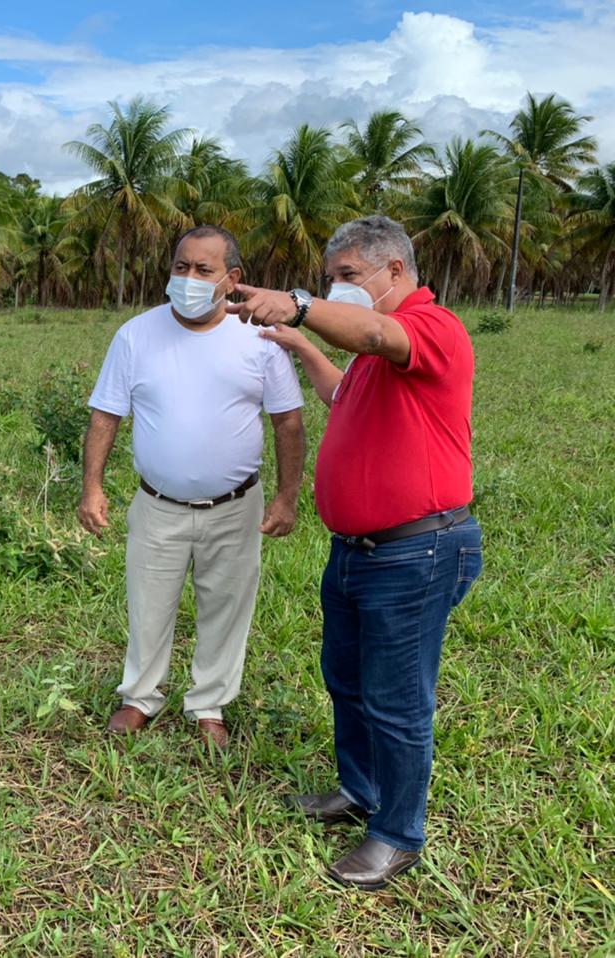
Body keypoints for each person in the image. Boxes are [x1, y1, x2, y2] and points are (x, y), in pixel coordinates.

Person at [227, 214, 482, 890]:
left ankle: (397, 834)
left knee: (397, 700)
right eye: (329, 278)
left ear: (395, 271)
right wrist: (301, 346)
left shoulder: (431, 329)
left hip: (416, 553)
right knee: (347, 680)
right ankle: (361, 790)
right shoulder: (376, 359)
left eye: (348, 277)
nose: (337, 289)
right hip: (359, 553)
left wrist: (302, 308)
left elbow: (373, 331)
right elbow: (344, 393)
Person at [78, 225, 306, 750]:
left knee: (226, 606)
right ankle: (140, 697)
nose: (188, 278)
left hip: (235, 506)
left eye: (204, 270)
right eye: (181, 267)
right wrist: (92, 487)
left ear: (232, 279)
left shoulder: (260, 338)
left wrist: (286, 497)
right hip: (158, 505)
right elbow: (106, 415)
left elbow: (288, 423)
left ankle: (209, 705)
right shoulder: (136, 335)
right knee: (148, 603)